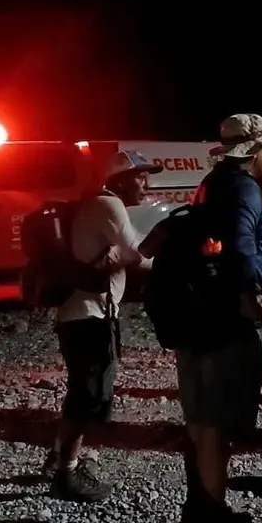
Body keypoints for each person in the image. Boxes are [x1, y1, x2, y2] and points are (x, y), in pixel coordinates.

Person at [176, 113, 262, 523]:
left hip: (198, 315)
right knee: (219, 420)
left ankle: (200, 506)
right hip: (227, 322)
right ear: (253, 152)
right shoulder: (244, 189)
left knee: (201, 416)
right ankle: (211, 516)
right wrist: (250, 299)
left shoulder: (210, 184)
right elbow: (240, 247)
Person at [43, 150, 161, 501]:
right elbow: (139, 255)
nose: (146, 183)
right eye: (139, 176)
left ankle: (61, 458)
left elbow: (125, 254)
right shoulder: (109, 206)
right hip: (90, 316)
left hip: (81, 314)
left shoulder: (93, 204)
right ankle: (67, 474)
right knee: (87, 397)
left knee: (82, 393)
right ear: (119, 180)